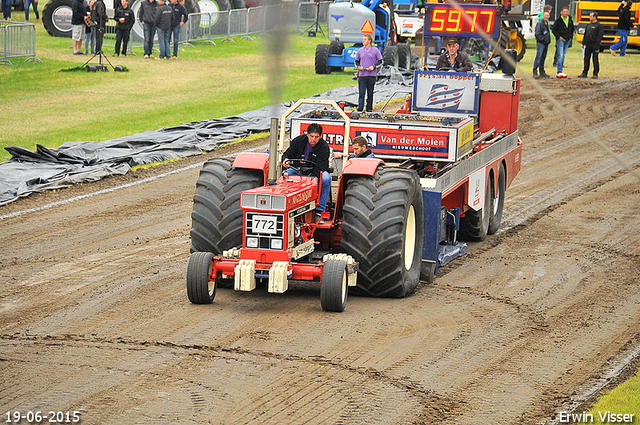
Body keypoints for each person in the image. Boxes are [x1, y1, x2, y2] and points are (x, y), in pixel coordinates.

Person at [281, 123, 331, 221]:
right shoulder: (298, 141)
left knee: (326, 178)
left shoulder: (324, 147)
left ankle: (319, 210)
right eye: (311, 136)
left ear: (321, 136)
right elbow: (287, 154)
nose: (313, 139)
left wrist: (310, 180)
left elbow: (321, 167)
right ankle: (286, 205)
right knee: (285, 177)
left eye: (316, 137)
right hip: (297, 170)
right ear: (307, 134)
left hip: (315, 171)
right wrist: (285, 160)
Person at [354, 33, 382, 113]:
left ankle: (369, 108)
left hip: (371, 75)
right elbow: (356, 61)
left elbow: (380, 61)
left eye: (365, 39)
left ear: (369, 41)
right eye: (363, 39)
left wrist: (373, 67)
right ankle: (360, 108)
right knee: (361, 93)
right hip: (362, 75)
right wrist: (359, 67)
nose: (363, 41)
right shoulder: (360, 51)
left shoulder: (375, 50)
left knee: (370, 93)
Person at [579, 12, 604, 79]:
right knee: (586, 59)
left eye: (591, 16)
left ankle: (595, 73)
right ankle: (584, 73)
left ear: (594, 17)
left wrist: (597, 44)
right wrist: (583, 43)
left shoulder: (599, 25)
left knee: (595, 59)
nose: (589, 18)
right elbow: (585, 34)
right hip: (588, 45)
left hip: (595, 45)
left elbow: (600, 36)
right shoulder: (588, 25)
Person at [551, 6, 574, 78]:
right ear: (561, 12)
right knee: (560, 55)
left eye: (567, 12)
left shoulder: (570, 20)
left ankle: (561, 69)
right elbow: (553, 29)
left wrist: (571, 36)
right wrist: (558, 37)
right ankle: (559, 71)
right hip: (561, 40)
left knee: (563, 55)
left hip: (567, 39)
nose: (565, 13)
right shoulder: (558, 20)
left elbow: (572, 29)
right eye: (564, 12)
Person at [533, 10, 551, 78]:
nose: (546, 17)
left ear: (549, 16)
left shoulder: (546, 24)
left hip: (546, 43)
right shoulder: (540, 24)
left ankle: (542, 71)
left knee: (543, 57)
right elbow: (537, 34)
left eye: (547, 15)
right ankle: (535, 71)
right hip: (541, 43)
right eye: (545, 15)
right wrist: (543, 39)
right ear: (543, 16)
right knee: (539, 57)